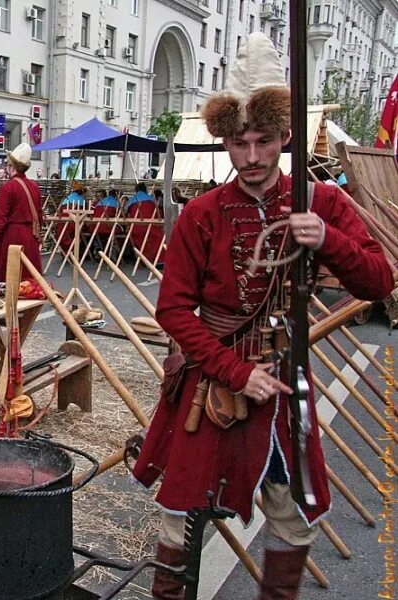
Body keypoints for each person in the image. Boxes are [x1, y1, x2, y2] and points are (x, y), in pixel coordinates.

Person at [132, 33, 394, 600]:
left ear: (285, 138)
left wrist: (327, 239)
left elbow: (379, 280)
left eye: (264, 142)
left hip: (282, 384)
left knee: (291, 517)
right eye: (238, 144)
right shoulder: (203, 214)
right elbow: (173, 310)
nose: (251, 158)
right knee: (178, 516)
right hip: (212, 382)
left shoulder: (319, 201)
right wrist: (232, 371)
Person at [0, 143, 44, 282]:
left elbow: (0, 217)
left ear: (12, 167)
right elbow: (40, 215)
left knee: (10, 278)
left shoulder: (8, 188)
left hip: (12, 237)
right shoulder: (34, 187)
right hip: (31, 236)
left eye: (8, 165)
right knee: (29, 277)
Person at [125, 182, 165, 265]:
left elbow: (125, 212)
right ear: (145, 190)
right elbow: (159, 213)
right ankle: (158, 260)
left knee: (139, 238)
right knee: (159, 236)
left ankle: (143, 259)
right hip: (152, 227)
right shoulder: (151, 199)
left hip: (136, 227)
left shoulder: (132, 200)